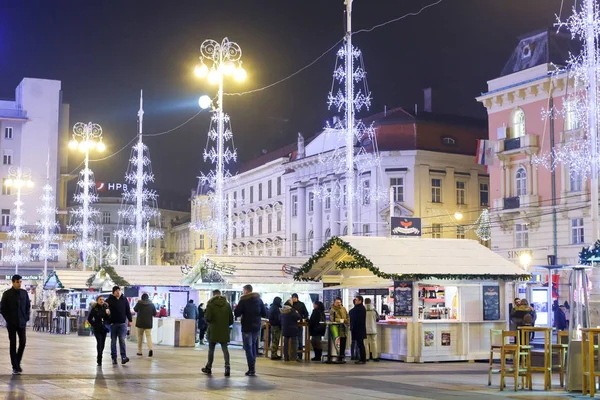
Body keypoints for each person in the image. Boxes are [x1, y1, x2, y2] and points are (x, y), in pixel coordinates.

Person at [0, 275, 31, 374]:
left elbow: (27, 307)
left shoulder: (24, 293)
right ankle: (15, 366)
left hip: (22, 323)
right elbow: (2, 309)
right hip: (12, 324)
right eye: (17, 282)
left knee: (23, 342)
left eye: (20, 282)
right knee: (12, 344)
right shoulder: (7, 294)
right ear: (13, 282)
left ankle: (17, 363)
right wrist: (8, 319)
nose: (19, 284)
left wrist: (26, 318)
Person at [234, 284, 267, 376]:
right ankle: (252, 367)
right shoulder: (259, 300)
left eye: (243, 290)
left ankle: (251, 368)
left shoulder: (243, 300)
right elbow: (264, 313)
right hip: (256, 327)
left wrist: (237, 308)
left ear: (246, 291)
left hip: (247, 327)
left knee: (248, 347)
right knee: (253, 346)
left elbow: (237, 313)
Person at [202, 289, 234, 377]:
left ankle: (209, 367)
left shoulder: (210, 304)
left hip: (213, 330)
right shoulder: (227, 305)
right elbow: (231, 320)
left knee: (211, 349)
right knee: (225, 349)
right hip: (224, 331)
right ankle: (227, 367)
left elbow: (208, 318)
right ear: (220, 294)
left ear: (213, 295)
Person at [106, 285, 133, 365]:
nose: (118, 292)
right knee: (113, 341)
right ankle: (114, 358)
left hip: (122, 324)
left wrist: (130, 320)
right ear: (113, 292)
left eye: (119, 291)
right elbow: (105, 309)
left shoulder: (124, 299)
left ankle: (123, 357)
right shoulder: (109, 300)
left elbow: (127, 310)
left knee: (122, 340)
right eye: (116, 291)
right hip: (113, 324)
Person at [87, 295, 110, 366]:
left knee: (102, 344)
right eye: (100, 299)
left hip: (104, 329)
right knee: (99, 342)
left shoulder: (106, 308)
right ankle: (99, 358)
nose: (102, 301)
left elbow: (108, 319)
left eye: (103, 299)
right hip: (97, 329)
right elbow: (89, 318)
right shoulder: (94, 308)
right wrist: (94, 324)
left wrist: (108, 315)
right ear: (97, 300)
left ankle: (100, 354)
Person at [329, 297, 349, 361]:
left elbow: (347, 316)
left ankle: (342, 355)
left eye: (340, 302)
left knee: (343, 342)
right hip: (337, 329)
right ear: (334, 303)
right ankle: (337, 355)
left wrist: (347, 321)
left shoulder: (343, 309)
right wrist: (342, 320)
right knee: (337, 343)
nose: (339, 304)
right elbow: (333, 319)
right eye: (337, 302)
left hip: (344, 328)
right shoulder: (332, 310)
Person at [350, 295, 367, 364]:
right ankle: (362, 358)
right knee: (360, 344)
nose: (355, 301)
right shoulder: (359, 308)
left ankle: (363, 359)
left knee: (360, 344)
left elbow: (352, 312)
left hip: (359, 329)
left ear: (360, 301)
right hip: (359, 329)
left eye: (356, 300)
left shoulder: (360, 308)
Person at [291, 293, 309, 359]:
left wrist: (303, 318)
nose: (294, 299)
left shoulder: (301, 304)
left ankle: (300, 355)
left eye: (295, 298)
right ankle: (293, 354)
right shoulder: (290, 304)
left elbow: (306, 313)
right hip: (292, 324)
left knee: (299, 339)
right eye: (293, 298)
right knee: (294, 339)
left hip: (298, 324)